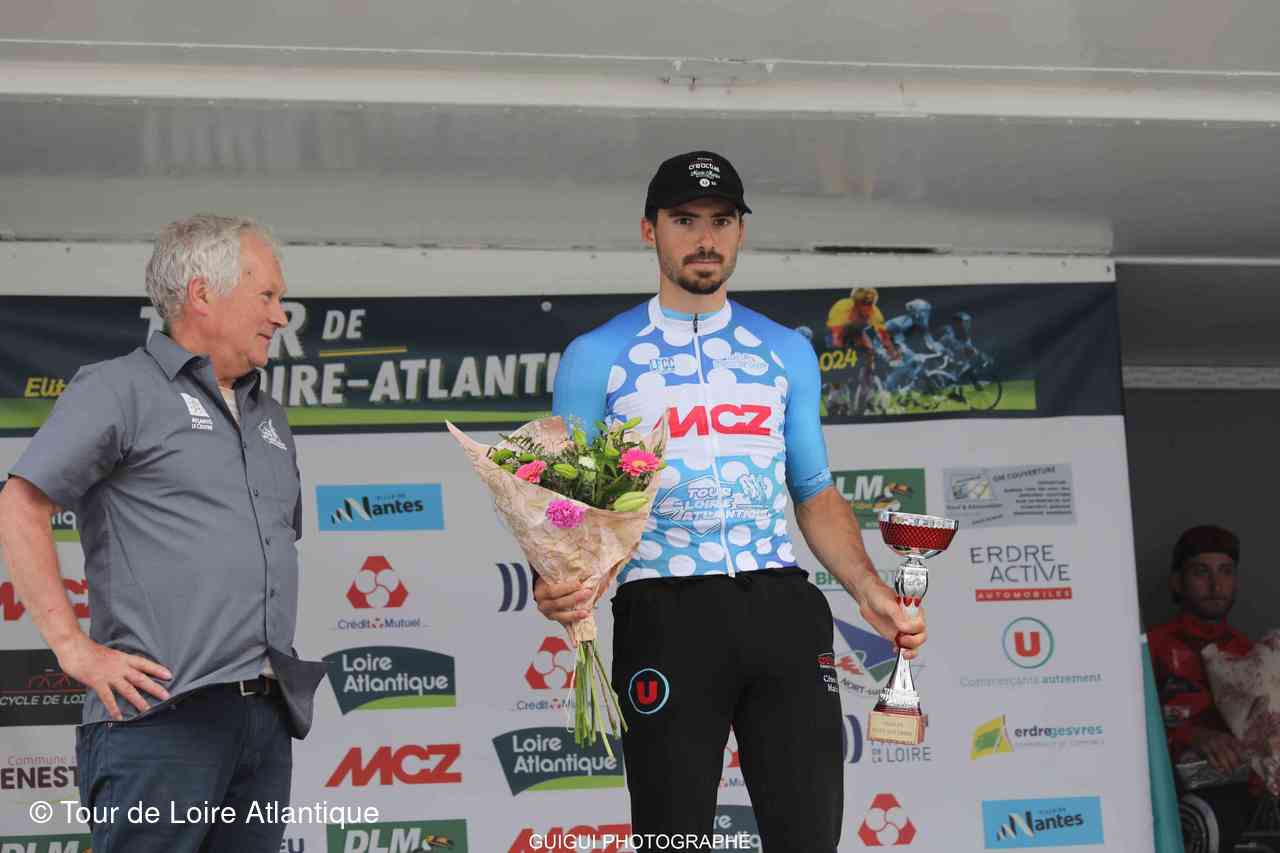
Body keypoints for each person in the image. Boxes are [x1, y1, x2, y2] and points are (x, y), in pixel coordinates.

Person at [536, 151, 926, 851]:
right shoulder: (597, 355)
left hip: (781, 608)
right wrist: (555, 573)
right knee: (673, 837)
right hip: (665, 610)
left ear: (741, 231)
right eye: (684, 220)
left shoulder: (784, 352)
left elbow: (814, 490)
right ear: (650, 229)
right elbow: (567, 499)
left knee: (809, 836)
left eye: (721, 220)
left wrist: (870, 591)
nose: (704, 238)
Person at [0, 215, 324, 853]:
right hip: (159, 722)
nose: (281, 315)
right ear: (202, 294)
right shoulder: (118, 388)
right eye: (267, 296)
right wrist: (72, 648)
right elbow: (20, 502)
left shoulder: (269, 415)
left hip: (263, 718)